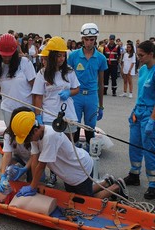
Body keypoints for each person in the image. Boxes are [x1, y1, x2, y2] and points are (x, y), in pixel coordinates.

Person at [8, 109, 128, 199]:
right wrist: (32, 184)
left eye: (28, 138)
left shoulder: (50, 136)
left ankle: (117, 186)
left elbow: (41, 165)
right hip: (69, 173)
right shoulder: (36, 136)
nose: (28, 142)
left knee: (88, 200)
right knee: (76, 195)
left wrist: (33, 186)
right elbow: (34, 159)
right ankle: (107, 182)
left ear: (35, 130)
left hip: (79, 170)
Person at [32, 36, 80, 188]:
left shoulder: (70, 71)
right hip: (49, 116)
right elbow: (38, 96)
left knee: (66, 147)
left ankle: (68, 176)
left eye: (63, 55)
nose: (61, 58)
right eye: (58, 55)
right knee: (49, 147)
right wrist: (38, 115)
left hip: (68, 115)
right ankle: (52, 175)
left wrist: (69, 93)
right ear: (51, 56)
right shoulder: (42, 73)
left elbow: (76, 88)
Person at [123, 40, 155, 200]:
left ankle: (153, 184)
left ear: (151, 54)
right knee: (134, 144)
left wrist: (152, 120)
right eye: (138, 55)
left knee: (149, 149)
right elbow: (141, 93)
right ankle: (134, 174)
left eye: (142, 55)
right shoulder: (143, 70)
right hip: (139, 111)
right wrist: (134, 111)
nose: (139, 58)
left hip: (151, 114)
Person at [67, 23, 108, 147]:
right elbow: (67, 78)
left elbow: (101, 83)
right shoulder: (73, 56)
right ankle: (73, 154)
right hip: (76, 95)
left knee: (90, 126)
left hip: (91, 96)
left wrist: (101, 106)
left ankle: (91, 156)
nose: (89, 42)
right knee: (75, 125)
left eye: (91, 39)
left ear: (95, 39)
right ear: (82, 39)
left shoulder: (101, 58)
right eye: (86, 39)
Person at [0, 33, 36, 127]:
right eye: (4, 55)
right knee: (12, 138)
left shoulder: (25, 63)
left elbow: (35, 88)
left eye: (9, 55)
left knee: (27, 139)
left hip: (25, 109)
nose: (7, 58)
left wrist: (37, 111)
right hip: (8, 109)